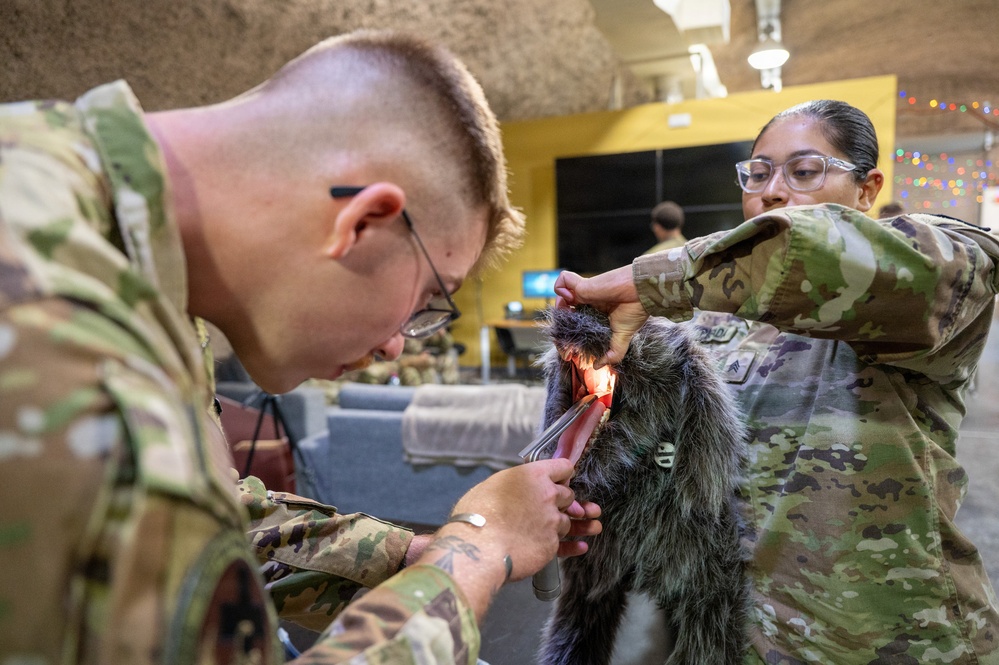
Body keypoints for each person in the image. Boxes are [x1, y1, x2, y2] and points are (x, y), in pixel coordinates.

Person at [0, 30, 602, 664]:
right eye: (428, 295)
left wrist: (414, 557)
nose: (397, 346)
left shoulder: (109, 244)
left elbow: (218, 521)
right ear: (363, 224)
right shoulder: (70, 341)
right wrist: (475, 551)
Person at [554, 99, 999, 663]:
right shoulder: (716, 318)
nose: (772, 191)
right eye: (758, 173)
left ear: (867, 189)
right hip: (738, 636)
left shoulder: (934, 271)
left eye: (804, 171)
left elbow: (826, 253)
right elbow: (682, 454)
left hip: (880, 637)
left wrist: (653, 281)